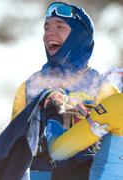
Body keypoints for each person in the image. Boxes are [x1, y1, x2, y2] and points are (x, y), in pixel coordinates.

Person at [11, 1, 119, 180]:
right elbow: (14, 145)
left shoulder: (104, 90)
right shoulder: (29, 87)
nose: (49, 33)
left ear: (79, 36)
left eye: (60, 26)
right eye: (46, 28)